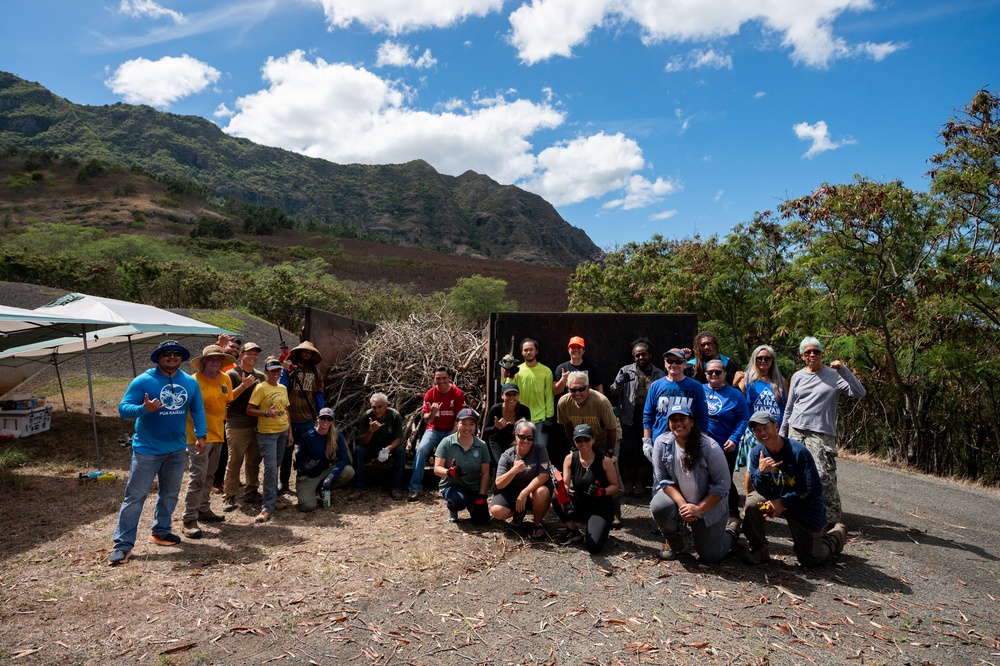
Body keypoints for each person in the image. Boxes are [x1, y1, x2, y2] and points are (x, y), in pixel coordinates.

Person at [109, 340, 206, 565]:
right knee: (135, 497)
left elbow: (197, 409)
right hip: (147, 450)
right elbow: (123, 409)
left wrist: (201, 436)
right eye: (166, 354)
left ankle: (161, 531)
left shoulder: (189, 382)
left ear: (181, 357)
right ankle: (123, 545)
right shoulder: (144, 380)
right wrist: (144, 409)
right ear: (158, 357)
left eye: (176, 354)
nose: (172, 357)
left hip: (176, 449)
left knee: (170, 494)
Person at [780, 337, 866, 525]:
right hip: (796, 430)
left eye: (816, 351)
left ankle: (831, 519)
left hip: (821, 432)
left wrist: (844, 370)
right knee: (796, 475)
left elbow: (859, 392)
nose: (812, 355)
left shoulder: (834, 375)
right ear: (802, 356)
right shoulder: (797, 376)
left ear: (821, 354)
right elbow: (790, 406)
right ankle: (800, 514)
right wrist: (782, 433)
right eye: (808, 352)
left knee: (823, 476)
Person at [743, 410, 847, 566]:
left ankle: (836, 535)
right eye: (757, 430)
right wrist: (762, 473)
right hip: (775, 499)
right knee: (752, 504)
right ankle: (759, 549)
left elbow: (811, 490)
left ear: (776, 427)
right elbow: (761, 490)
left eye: (765, 428)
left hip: (802, 505)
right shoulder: (758, 453)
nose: (762, 433)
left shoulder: (798, 452)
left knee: (811, 559)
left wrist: (783, 502)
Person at [181, 344, 255, 539]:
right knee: (197, 476)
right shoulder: (193, 381)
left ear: (222, 361)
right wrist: (198, 435)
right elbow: (184, 408)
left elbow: (228, 399)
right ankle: (189, 519)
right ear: (203, 361)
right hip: (197, 436)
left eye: (218, 358)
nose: (215, 361)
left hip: (217, 433)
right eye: (211, 358)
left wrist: (244, 386)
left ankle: (203, 509)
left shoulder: (224, 378)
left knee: (210, 475)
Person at [650, 403, 739, 562]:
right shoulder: (661, 443)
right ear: (669, 424)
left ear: (692, 422)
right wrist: (684, 506)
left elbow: (722, 486)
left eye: (682, 418)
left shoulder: (710, 447)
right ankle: (673, 540)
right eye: (673, 419)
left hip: (708, 505)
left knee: (710, 556)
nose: (678, 423)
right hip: (681, 500)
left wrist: (698, 509)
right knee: (658, 506)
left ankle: (732, 531)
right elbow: (663, 480)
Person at [608, 338, 664, 497]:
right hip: (629, 419)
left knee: (644, 454)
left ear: (650, 355)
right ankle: (627, 483)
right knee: (629, 452)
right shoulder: (626, 370)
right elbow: (613, 392)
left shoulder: (659, 374)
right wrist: (618, 383)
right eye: (637, 355)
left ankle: (640, 483)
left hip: (651, 421)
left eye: (643, 354)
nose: (641, 358)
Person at [554, 424, 619, 554]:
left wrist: (603, 492)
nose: (583, 443)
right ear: (574, 442)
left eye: (586, 440)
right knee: (556, 497)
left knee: (593, 548)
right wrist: (560, 487)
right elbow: (566, 486)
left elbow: (615, 486)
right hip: (581, 504)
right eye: (579, 440)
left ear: (593, 440)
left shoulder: (604, 460)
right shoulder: (570, 458)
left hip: (600, 508)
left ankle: (599, 527)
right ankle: (573, 531)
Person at [734, 344, 788, 495]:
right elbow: (735, 398)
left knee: (777, 466)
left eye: (767, 358)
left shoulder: (780, 381)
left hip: (775, 430)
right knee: (754, 468)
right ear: (754, 359)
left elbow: (787, 406)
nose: (763, 361)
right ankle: (750, 501)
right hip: (755, 431)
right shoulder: (747, 378)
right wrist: (734, 382)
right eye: (759, 358)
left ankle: (774, 499)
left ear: (772, 361)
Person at [409, 366, 466, 501]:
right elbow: (427, 419)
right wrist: (433, 413)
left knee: (453, 450)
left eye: (444, 378)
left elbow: (459, 420)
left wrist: (451, 436)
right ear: (434, 379)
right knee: (421, 450)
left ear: (449, 378)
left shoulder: (457, 394)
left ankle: (450, 486)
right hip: (433, 429)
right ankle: (414, 487)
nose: (441, 381)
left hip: (450, 429)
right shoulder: (430, 394)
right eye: (438, 378)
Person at [703, 358, 749, 521]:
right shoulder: (699, 390)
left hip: (726, 446)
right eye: (710, 372)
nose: (714, 374)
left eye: (717, 372)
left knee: (724, 480)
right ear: (705, 374)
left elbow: (744, 419)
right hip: (703, 445)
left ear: (724, 374)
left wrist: (735, 438)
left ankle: (733, 514)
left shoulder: (735, 394)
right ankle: (706, 511)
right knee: (703, 479)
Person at [642, 348, 709, 462]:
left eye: (678, 362)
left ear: (684, 364)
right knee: (661, 478)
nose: (673, 365)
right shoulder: (655, 386)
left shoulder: (696, 386)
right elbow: (648, 415)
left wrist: (703, 440)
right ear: (665, 363)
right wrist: (647, 441)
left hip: (688, 442)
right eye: (670, 361)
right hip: (660, 442)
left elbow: (702, 416)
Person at [247, 357, 292, 523]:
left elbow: (286, 410)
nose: (276, 373)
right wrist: (266, 413)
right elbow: (250, 410)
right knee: (271, 468)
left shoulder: (282, 387)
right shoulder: (260, 388)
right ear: (266, 372)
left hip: (282, 431)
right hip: (267, 433)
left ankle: (272, 499)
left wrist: (290, 432)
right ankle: (267, 507)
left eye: (279, 370)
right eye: (273, 370)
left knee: (275, 466)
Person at [490, 419, 551, 539]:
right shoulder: (507, 456)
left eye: (530, 438)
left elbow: (544, 476)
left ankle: (536, 524)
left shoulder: (540, 450)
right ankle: (518, 513)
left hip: (531, 491)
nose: (526, 441)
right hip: (512, 491)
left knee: (542, 492)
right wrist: (514, 470)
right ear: (515, 436)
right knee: (497, 511)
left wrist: (524, 493)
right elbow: (499, 484)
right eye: (522, 437)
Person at [222, 342, 265, 512]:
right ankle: (229, 495)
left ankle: (251, 491)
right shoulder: (232, 374)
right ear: (241, 356)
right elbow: (227, 398)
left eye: (255, 354)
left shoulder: (261, 376)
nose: (252, 357)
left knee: (254, 460)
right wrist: (243, 385)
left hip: (256, 424)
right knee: (234, 461)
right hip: (237, 424)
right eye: (249, 354)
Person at [279, 341, 325, 495]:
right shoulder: (289, 369)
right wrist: (286, 371)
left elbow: (318, 394)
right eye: (305, 352)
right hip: (289, 420)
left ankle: (303, 482)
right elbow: (282, 389)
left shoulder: (316, 372)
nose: (307, 354)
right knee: (286, 454)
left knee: (307, 454)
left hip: (307, 419)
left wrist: (320, 413)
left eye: (310, 353)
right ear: (298, 353)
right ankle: (284, 484)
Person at [433, 408, 491, 524]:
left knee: (482, 520)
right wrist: (449, 472)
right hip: (452, 486)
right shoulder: (447, 442)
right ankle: (453, 510)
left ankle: (473, 504)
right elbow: (437, 468)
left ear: (475, 426)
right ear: (457, 423)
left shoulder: (482, 445)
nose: (467, 428)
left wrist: (482, 495)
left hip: (473, 487)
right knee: (458, 501)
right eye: (463, 423)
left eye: (471, 424)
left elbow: (485, 472)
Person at [294, 407, 355, 512]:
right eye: (323, 418)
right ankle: (313, 491)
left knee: (349, 471)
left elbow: (343, 459)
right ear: (317, 419)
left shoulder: (336, 436)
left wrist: (331, 476)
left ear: (332, 421)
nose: (325, 421)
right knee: (307, 507)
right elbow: (299, 459)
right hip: (309, 475)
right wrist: (306, 466)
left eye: (329, 419)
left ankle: (324, 489)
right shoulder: (307, 437)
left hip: (325, 471)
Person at [353, 393, 407, 499]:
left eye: (380, 407)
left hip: (388, 446)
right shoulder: (366, 416)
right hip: (371, 446)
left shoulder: (394, 415)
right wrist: (370, 431)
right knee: (358, 450)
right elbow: (361, 441)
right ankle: (358, 487)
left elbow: (399, 438)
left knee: (400, 451)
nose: (377, 410)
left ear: (386, 405)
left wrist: (387, 449)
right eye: (374, 407)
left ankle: (395, 487)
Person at [512, 338, 554, 450]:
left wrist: (549, 417)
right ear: (521, 352)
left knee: (540, 451)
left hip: (540, 420)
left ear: (536, 351)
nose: (528, 352)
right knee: (521, 451)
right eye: (525, 350)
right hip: (522, 420)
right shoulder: (516, 370)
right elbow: (508, 389)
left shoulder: (546, 371)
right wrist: (507, 373)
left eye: (531, 349)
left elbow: (549, 395)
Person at [213, 335, 243, 491]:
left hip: (232, 414)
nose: (235, 350)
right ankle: (216, 482)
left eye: (237, 349)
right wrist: (220, 344)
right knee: (221, 451)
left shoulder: (234, 366)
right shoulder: (219, 363)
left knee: (231, 451)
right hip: (218, 415)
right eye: (232, 347)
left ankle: (228, 479)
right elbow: (209, 359)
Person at [482, 382, 532, 467]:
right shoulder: (495, 409)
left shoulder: (524, 410)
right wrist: (496, 428)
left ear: (518, 396)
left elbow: (528, 432)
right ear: (502, 396)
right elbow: (485, 431)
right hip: (497, 441)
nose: (511, 398)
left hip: (514, 442)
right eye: (508, 395)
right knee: (501, 464)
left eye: (514, 394)